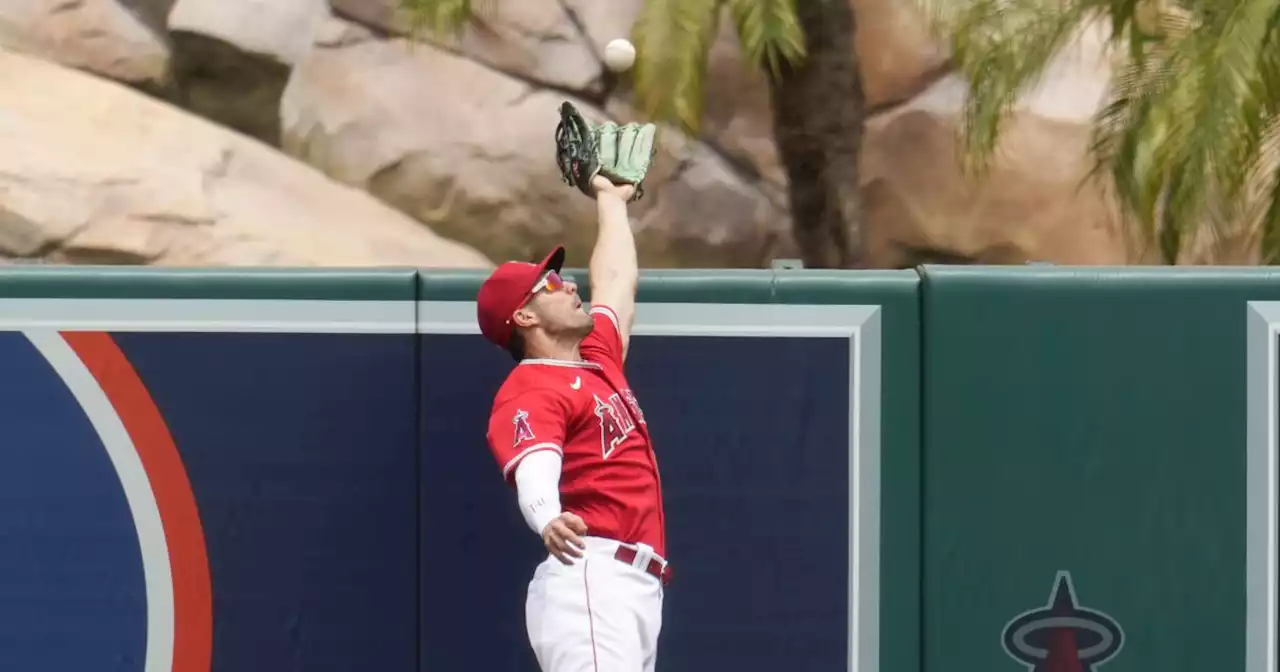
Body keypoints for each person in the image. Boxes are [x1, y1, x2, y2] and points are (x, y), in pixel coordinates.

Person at [476, 175, 670, 672]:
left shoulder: (595, 358)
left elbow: (617, 282)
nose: (570, 285)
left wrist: (611, 200)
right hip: (591, 575)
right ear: (523, 317)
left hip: (633, 586)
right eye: (553, 284)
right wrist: (547, 517)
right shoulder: (531, 388)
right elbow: (535, 466)